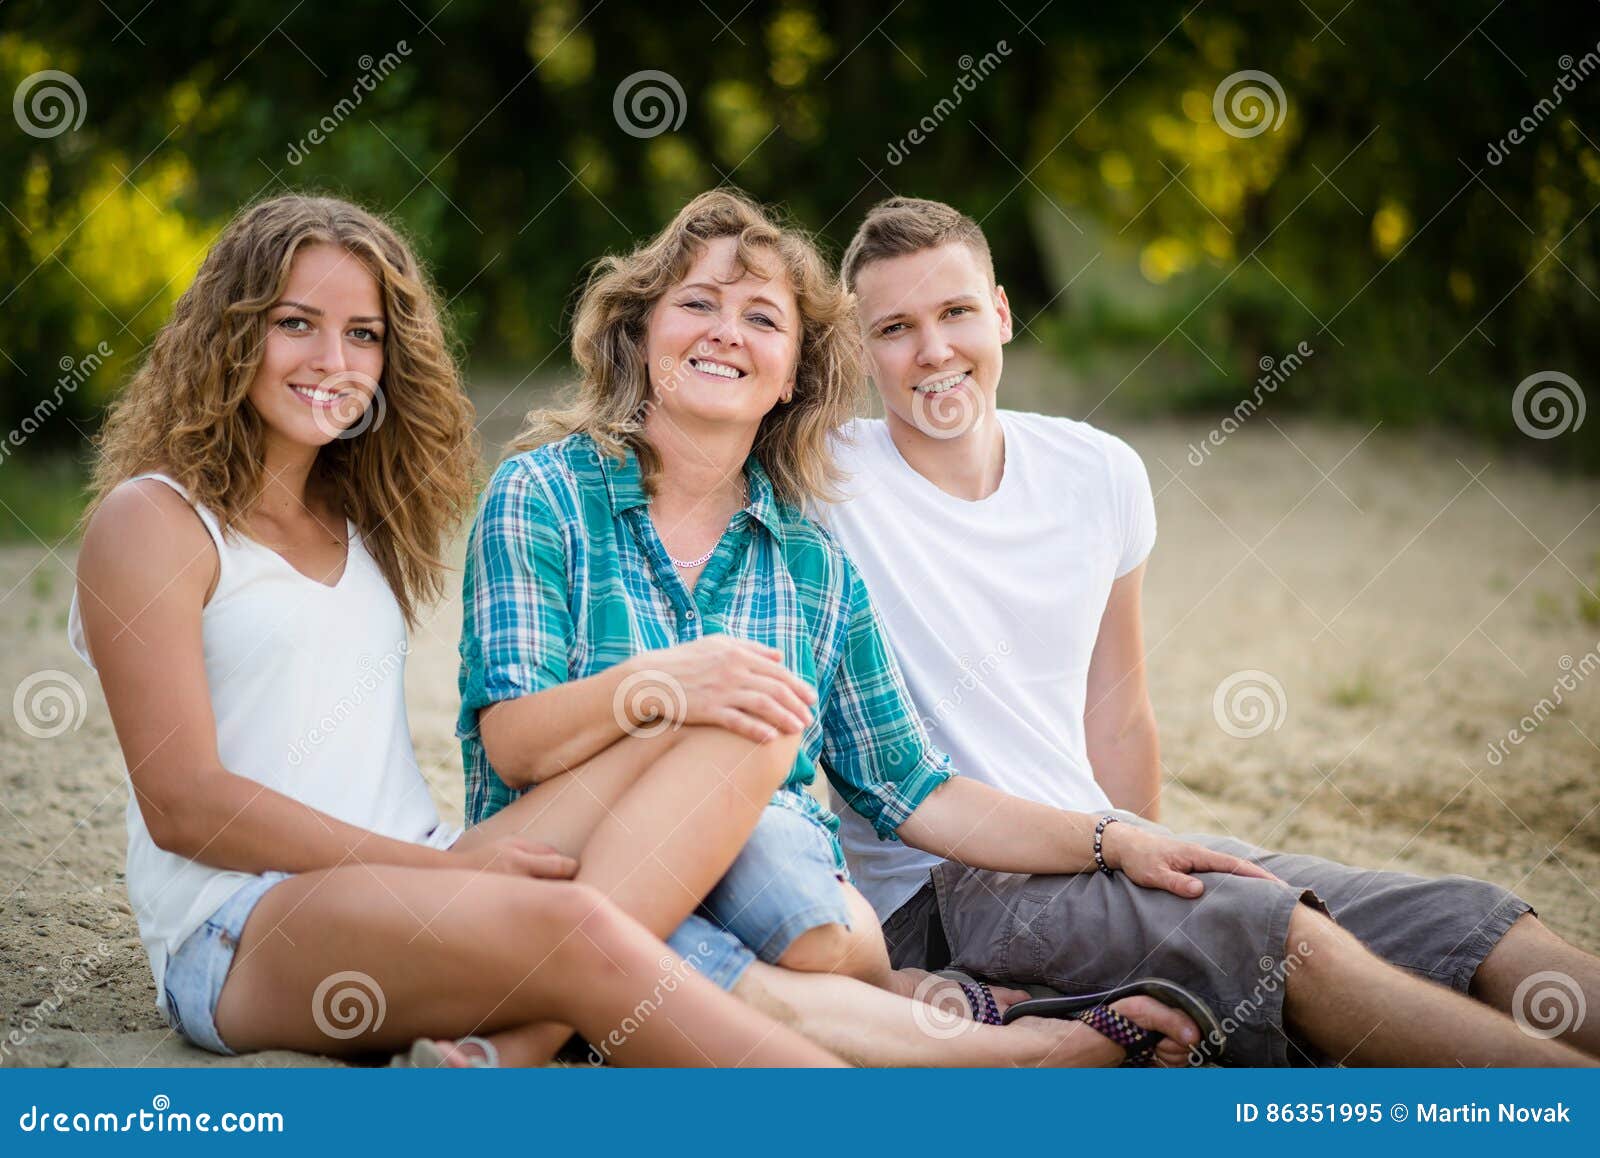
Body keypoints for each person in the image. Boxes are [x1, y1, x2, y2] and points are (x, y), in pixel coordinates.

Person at [457, 186, 1258, 1067]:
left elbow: (912, 788)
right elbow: (515, 749)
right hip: (570, 859)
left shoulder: (814, 557)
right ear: (640, 336)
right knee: (721, 930)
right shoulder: (543, 494)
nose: (725, 332)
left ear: (795, 372)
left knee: (785, 889)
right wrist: (666, 691)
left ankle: (532, 1038)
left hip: (786, 891)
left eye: (761, 318)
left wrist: (1110, 838)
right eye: (695, 305)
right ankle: (1027, 1049)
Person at [814, 194, 1600, 1066]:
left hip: (1100, 850)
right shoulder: (826, 480)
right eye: (894, 328)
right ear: (857, 347)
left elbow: (1116, 712)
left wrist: (1149, 886)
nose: (934, 351)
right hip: (948, 894)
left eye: (956, 312)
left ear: (1000, 312)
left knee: (1473, 923)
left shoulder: (1098, 471)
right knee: (1288, 941)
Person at [70, 193, 839, 1069]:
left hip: (418, 873)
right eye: (296, 323)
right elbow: (183, 806)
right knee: (581, 931)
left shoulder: (359, 523)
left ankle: (497, 1059)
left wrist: (443, 869)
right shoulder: (154, 522)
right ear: (229, 333)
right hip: (247, 924)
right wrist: (443, 877)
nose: (334, 359)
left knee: (745, 710)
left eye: (364, 335)